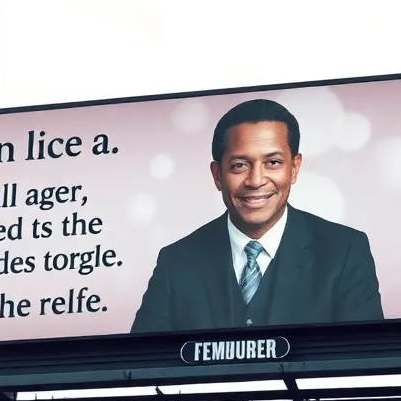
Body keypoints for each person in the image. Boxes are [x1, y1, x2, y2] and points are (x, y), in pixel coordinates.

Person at [131, 98, 384, 334]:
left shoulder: (345, 252)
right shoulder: (175, 263)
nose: (255, 181)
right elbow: (141, 365)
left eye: (273, 162)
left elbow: (366, 362)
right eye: (239, 165)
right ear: (217, 174)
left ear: (294, 168)